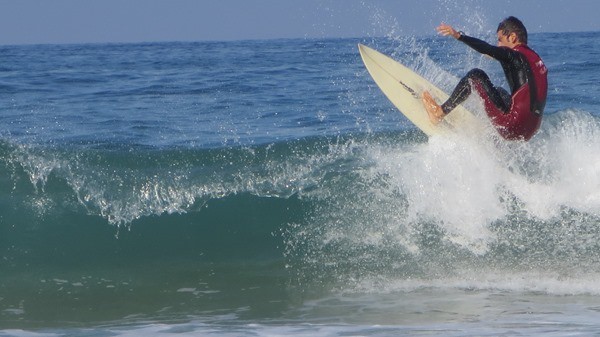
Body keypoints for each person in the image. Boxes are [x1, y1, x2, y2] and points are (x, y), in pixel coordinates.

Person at [422, 16, 548, 141]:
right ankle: (494, 137)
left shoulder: (513, 55)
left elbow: (488, 48)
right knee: (498, 91)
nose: (498, 44)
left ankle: (439, 113)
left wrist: (458, 36)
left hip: (511, 127)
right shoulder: (534, 58)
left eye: (500, 40)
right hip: (530, 130)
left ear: (512, 37)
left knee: (475, 76)